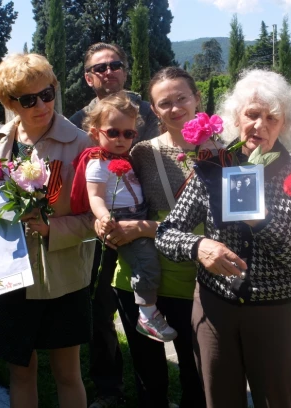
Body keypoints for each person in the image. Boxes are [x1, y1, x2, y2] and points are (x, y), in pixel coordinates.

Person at [155, 69, 291, 408]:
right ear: (236, 117)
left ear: (284, 124)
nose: (260, 125)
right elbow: (166, 233)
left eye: (271, 117)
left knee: (278, 401)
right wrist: (199, 246)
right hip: (216, 310)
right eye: (252, 114)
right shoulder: (214, 169)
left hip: (276, 315)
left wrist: (261, 221)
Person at [0, 53, 96, 408]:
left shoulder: (81, 145)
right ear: (10, 103)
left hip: (63, 278)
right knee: (20, 372)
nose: (41, 104)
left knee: (67, 373)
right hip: (11, 275)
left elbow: (97, 221)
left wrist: (53, 228)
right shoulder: (0, 142)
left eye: (47, 93)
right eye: (28, 99)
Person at [97, 67, 206, 408]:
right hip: (139, 279)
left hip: (196, 278)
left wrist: (144, 228)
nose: (175, 108)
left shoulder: (222, 152)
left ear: (196, 98)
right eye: (164, 103)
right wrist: (101, 222)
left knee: (198, 374)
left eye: (181, 98)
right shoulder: (141, 152)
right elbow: (111, 195)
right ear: (154, 111)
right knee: (149, 378)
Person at [70, 42, 159, 408]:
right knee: (101, 311)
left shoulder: (148, 112)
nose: (109, 71)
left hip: (147, 220)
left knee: (146, 302)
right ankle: (109, 389)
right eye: (99, 67)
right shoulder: (78, 121)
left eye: (115, 64)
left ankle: (150, 391)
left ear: (125, 69)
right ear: (90, 78)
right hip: (102, 230)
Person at [71, 91, 177, 342]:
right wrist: (104, 216)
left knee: (149, 259)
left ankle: (149, 307)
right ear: (96, 133)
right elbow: (95, 196)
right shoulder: (98, 163)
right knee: (146, 263)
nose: (121, 139)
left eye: (128, 134)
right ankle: (147, 314)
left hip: (137, 215)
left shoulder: (123, 158)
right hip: (120, 219)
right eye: (113, 132)